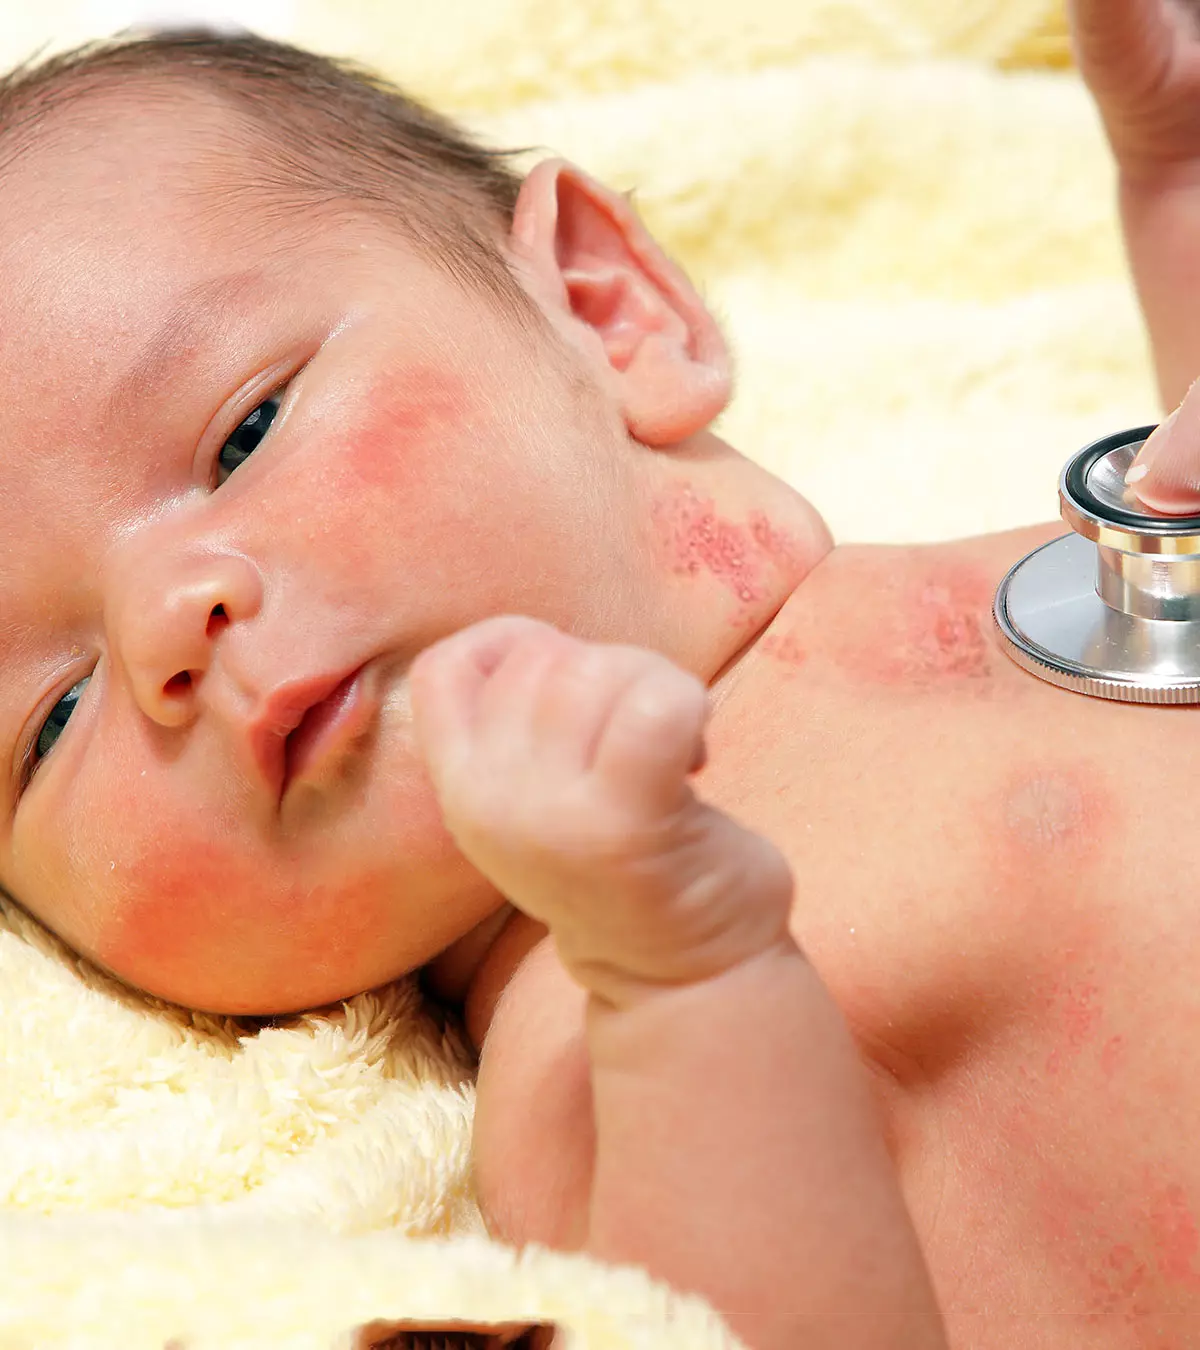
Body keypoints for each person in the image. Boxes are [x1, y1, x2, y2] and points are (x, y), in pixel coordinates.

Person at [0, 7, 1198, 1347]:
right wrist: (692, 965)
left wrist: (1174, 179)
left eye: (248, 430)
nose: (169, 619)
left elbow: (1167, 603)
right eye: (50, 721)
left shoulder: (1035, 572)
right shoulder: (594, 1039)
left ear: (604, 310)